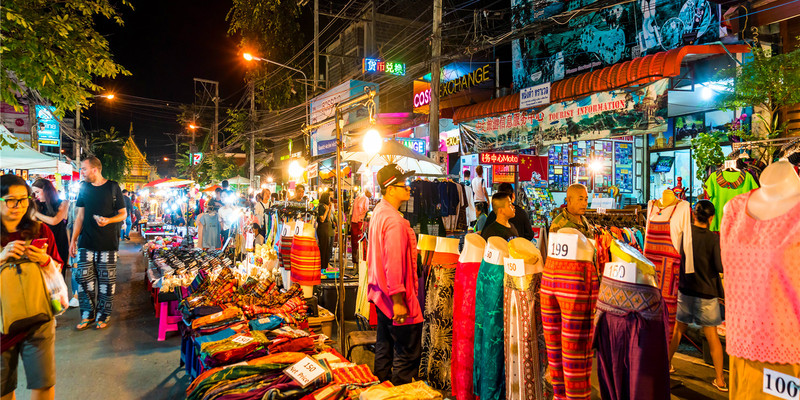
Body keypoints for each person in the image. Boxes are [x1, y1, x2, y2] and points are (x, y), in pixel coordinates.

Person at [1, 174, 62, 400]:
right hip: (1, 323)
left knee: (43, 383)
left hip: (39, 316)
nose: (18, 206)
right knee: (3, 388)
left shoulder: (40, 231)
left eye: (24, 199)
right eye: (11, 200)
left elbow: (57, 267)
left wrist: (44, 260)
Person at [367, 164, 423, 385]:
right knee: (405, 358)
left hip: (381, 297)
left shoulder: (379, 212)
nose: (409, 188)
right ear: (390, 189)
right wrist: (399, 301)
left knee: (384, 349)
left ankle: (380, 391)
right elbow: (394, 263)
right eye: (404, 184)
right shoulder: (394, 221)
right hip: (396, 301)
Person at [669, 200, 727, 391]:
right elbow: (719, 266)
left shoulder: (685, 234)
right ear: (711, 218)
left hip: (686, 289)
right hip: (707, 292)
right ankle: (720, 380)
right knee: (712, 335)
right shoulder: (713, 239)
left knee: (678, 330)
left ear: (694, 215)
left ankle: (666, 365)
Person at [69, 156, 126, 330]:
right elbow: (80, 216)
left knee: (106, 282)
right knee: (83, 279)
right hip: (86, 241)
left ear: (95, 169)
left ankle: (103, 315)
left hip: (108, 242)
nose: (82, 172)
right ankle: (87, 314)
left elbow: (123, 214)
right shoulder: (84, 188)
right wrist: (73, 240)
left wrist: (109, 220)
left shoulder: (113, 187)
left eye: (84, 169)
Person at [31, 179, 70, 281]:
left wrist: (35, 213)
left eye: (37, 192)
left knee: (58, 276)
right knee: (42, 278)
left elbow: (54, 221)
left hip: (59, 242)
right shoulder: (36, 204)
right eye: (34, 193)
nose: (36, 195)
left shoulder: (63, 203)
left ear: (46, 191)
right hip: (42, 244)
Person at [350, 188, 371, 265]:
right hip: (354, 221)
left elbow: (366, 210)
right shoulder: (356, 199)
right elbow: (353, 211)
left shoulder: (365, 199)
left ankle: (360, 259)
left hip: (360, 222)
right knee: (353, 241)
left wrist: (361, 220)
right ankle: (354, 260)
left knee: (359, 241)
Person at [317, 191, 334, 270]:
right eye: (329, 198)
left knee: (327, 247)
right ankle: (322, 266)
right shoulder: (321, 206)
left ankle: (325, 265)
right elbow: (322, 219)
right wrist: (327, 210)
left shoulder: (326, 206)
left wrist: (329, 209)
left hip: (326, 228)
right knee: (323, 247)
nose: (330, 199)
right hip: (322, 229)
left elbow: (328, 218)